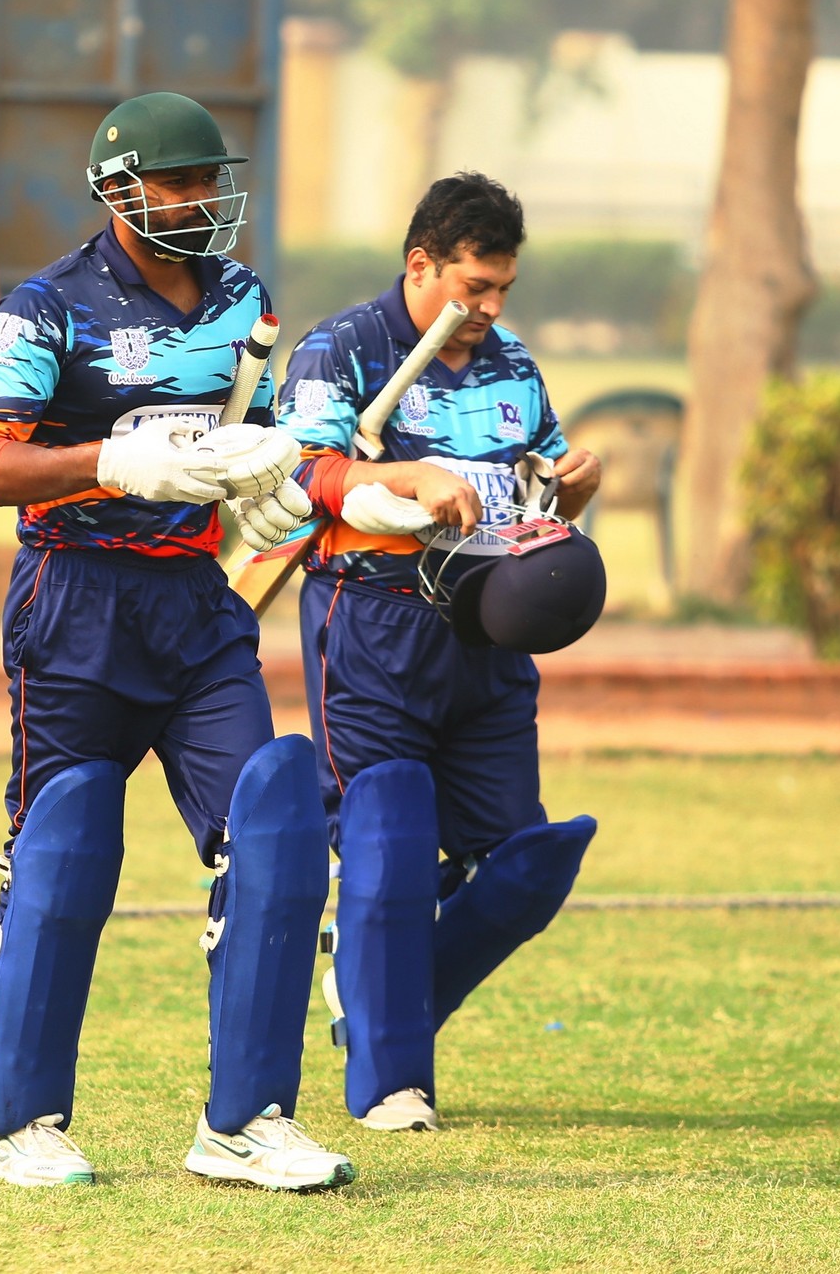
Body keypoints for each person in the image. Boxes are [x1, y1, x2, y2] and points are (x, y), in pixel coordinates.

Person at [0, 91, 355, 1191]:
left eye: (210, 180)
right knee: (64, 845)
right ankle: (19, 1124)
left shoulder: (242, 298)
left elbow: (244, 439)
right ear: (119, 190)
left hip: (196, 604)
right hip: (74, 598)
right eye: (179, 182)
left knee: (273, 829)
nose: (202, 199)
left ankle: (247, 1120)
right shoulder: (48, 308)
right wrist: (105, 462)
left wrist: (268, 484)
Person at [275, 171, 604, 1133]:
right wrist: (409, 476)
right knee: (388, 851)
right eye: (475, 287)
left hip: (491, 635)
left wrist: (571, 489)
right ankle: (391, 1082)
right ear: (421, 266)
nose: (491, 308)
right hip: (375, 626)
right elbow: (301, 472)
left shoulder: (512, 362)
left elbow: (539, 479)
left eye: (504, 289)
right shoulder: (340, 348)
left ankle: (379, 991)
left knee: (525, 862)